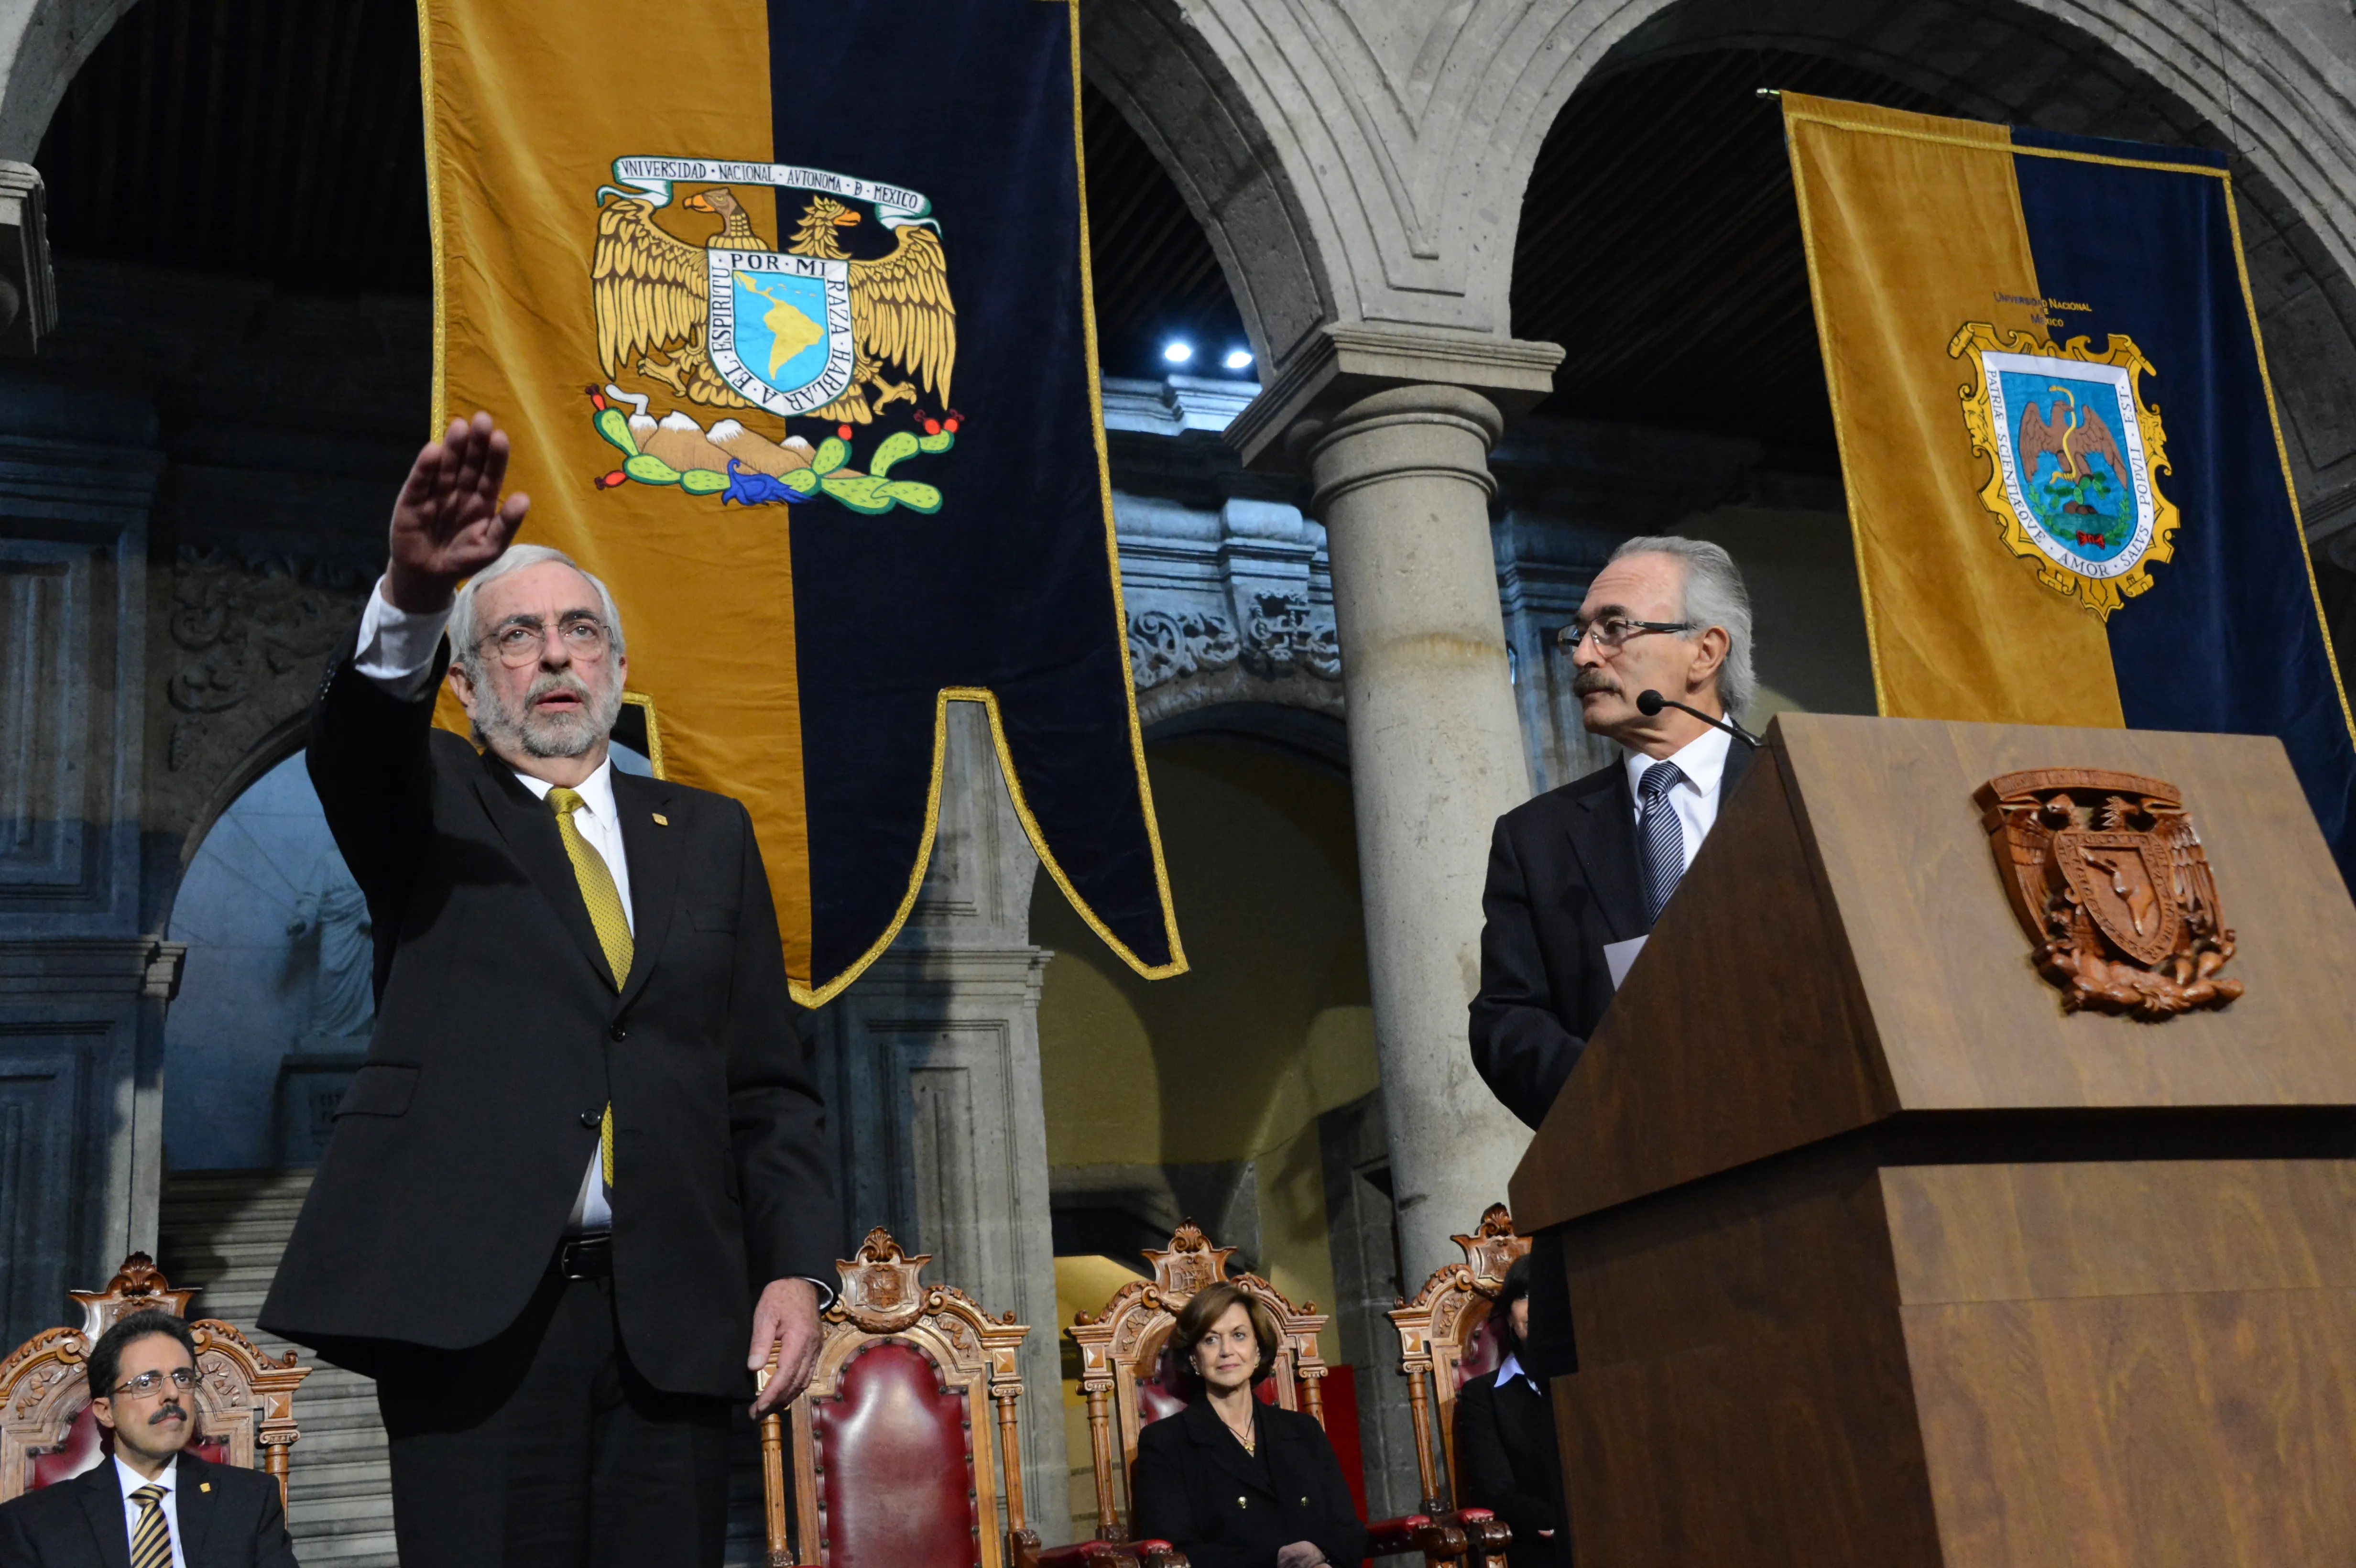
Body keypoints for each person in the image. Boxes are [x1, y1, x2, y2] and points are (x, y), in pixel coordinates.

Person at [256, 413, 838, 1568]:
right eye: (519, 636)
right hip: (474, 1317)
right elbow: (360, 740)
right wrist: (416, 593)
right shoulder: (426, 799)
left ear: (620, 669)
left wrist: (796, 1265)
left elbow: (768, 1084)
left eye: (581, 631)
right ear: (467, 685)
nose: (558, 654)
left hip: (670, 1319)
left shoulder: (708, 834)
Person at [1467, 534, 1759, 1382]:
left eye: (1614, 628)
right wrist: (1625, 1096)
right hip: (1619, 1224)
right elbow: (1505, 1021)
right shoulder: (1536, 839)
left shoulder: (1801, 786)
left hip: (1803, 1200)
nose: (1585, 653)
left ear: (1704, 651)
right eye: (1578, 635)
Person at [0, 1309, 299, 1568]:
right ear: (106, 1412)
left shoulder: (249, 1500)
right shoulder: (35, 1523)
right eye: (146, 1382)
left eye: (183, 1378)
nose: (172, 1394)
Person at [1130, 1282, 1367, 1568]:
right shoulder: (1165, 1443)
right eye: (1210, 1340)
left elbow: (1349, 1530)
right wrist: (1276, 1561)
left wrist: (1322, 1553)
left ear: (1257, 1351)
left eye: (1239, 1336)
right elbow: (1175, 1554)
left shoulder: (1304, 1432)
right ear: (1194, 1358)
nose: (1226, 1351)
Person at [1453, 1258, 1570, 1567]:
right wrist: (1563, 1520)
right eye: (1525, 1296)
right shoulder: (1484, 1396)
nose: (1536, 1307)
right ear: (1508, 1316)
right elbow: (1497, 1492)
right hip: (1537, 1545)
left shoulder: (1589, 1382)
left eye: (1546, 1293)